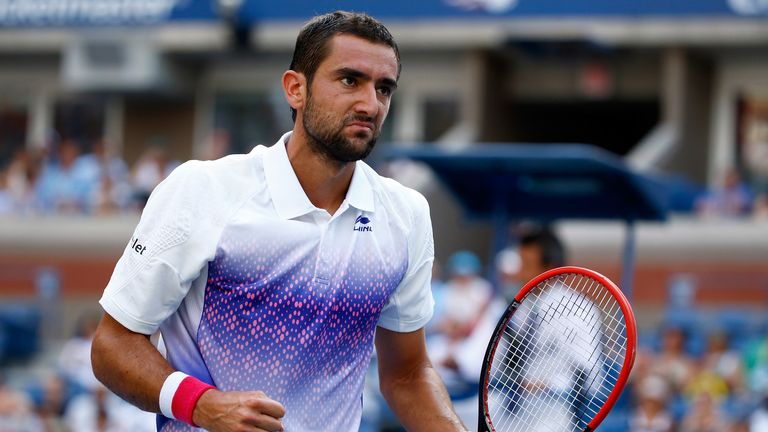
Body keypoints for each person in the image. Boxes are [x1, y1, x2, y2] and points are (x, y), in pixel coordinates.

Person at [91, 11, 466, 432]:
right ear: (295, 89)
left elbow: (407, 376)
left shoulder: (407, 215)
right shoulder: (202, 189)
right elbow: (112, 346)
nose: (370, 104)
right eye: (349, 80)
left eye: (384, 88)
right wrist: (203, 405)